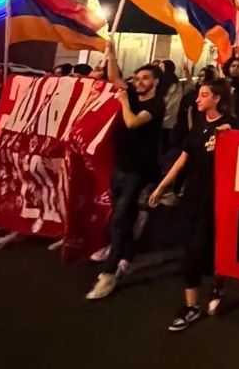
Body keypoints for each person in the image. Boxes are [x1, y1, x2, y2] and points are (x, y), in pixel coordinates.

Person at [147, 80, 232, 331]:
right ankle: (192, 305)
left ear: (217, 98)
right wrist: (162, 186)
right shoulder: (199, 125)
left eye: (204, 95)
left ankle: (218, 284)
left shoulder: (230, 125)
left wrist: (233, 136)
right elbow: (184, 158)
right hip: (192, 196)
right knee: (191, 250)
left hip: (216, 198)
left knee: (207, 249)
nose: (197, 99)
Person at [86, 42, 165, 300]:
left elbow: (131, 122)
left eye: (145, 79)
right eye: (138, 78)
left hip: (138, 170)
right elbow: (114, 77)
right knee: (123, 213)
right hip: (120, 166)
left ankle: (109, 273)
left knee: (120, 216)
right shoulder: (131, 93)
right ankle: (126, 255)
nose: (139, 82)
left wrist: (122, 101)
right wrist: (111, 54)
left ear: (155, 82)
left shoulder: (155, 105)